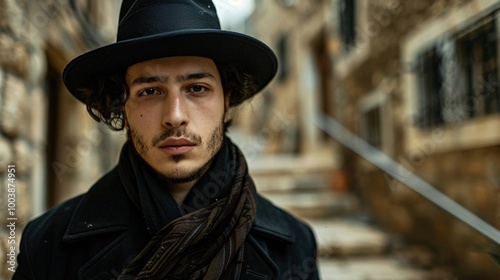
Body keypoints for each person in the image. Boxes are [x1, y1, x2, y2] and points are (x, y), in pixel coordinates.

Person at [13, 0, 319, 279]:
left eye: (197, 88)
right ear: (123, 106)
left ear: (227, 101)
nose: (175, 116)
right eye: (150, 91)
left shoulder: (294, 246)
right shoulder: (47, 246)